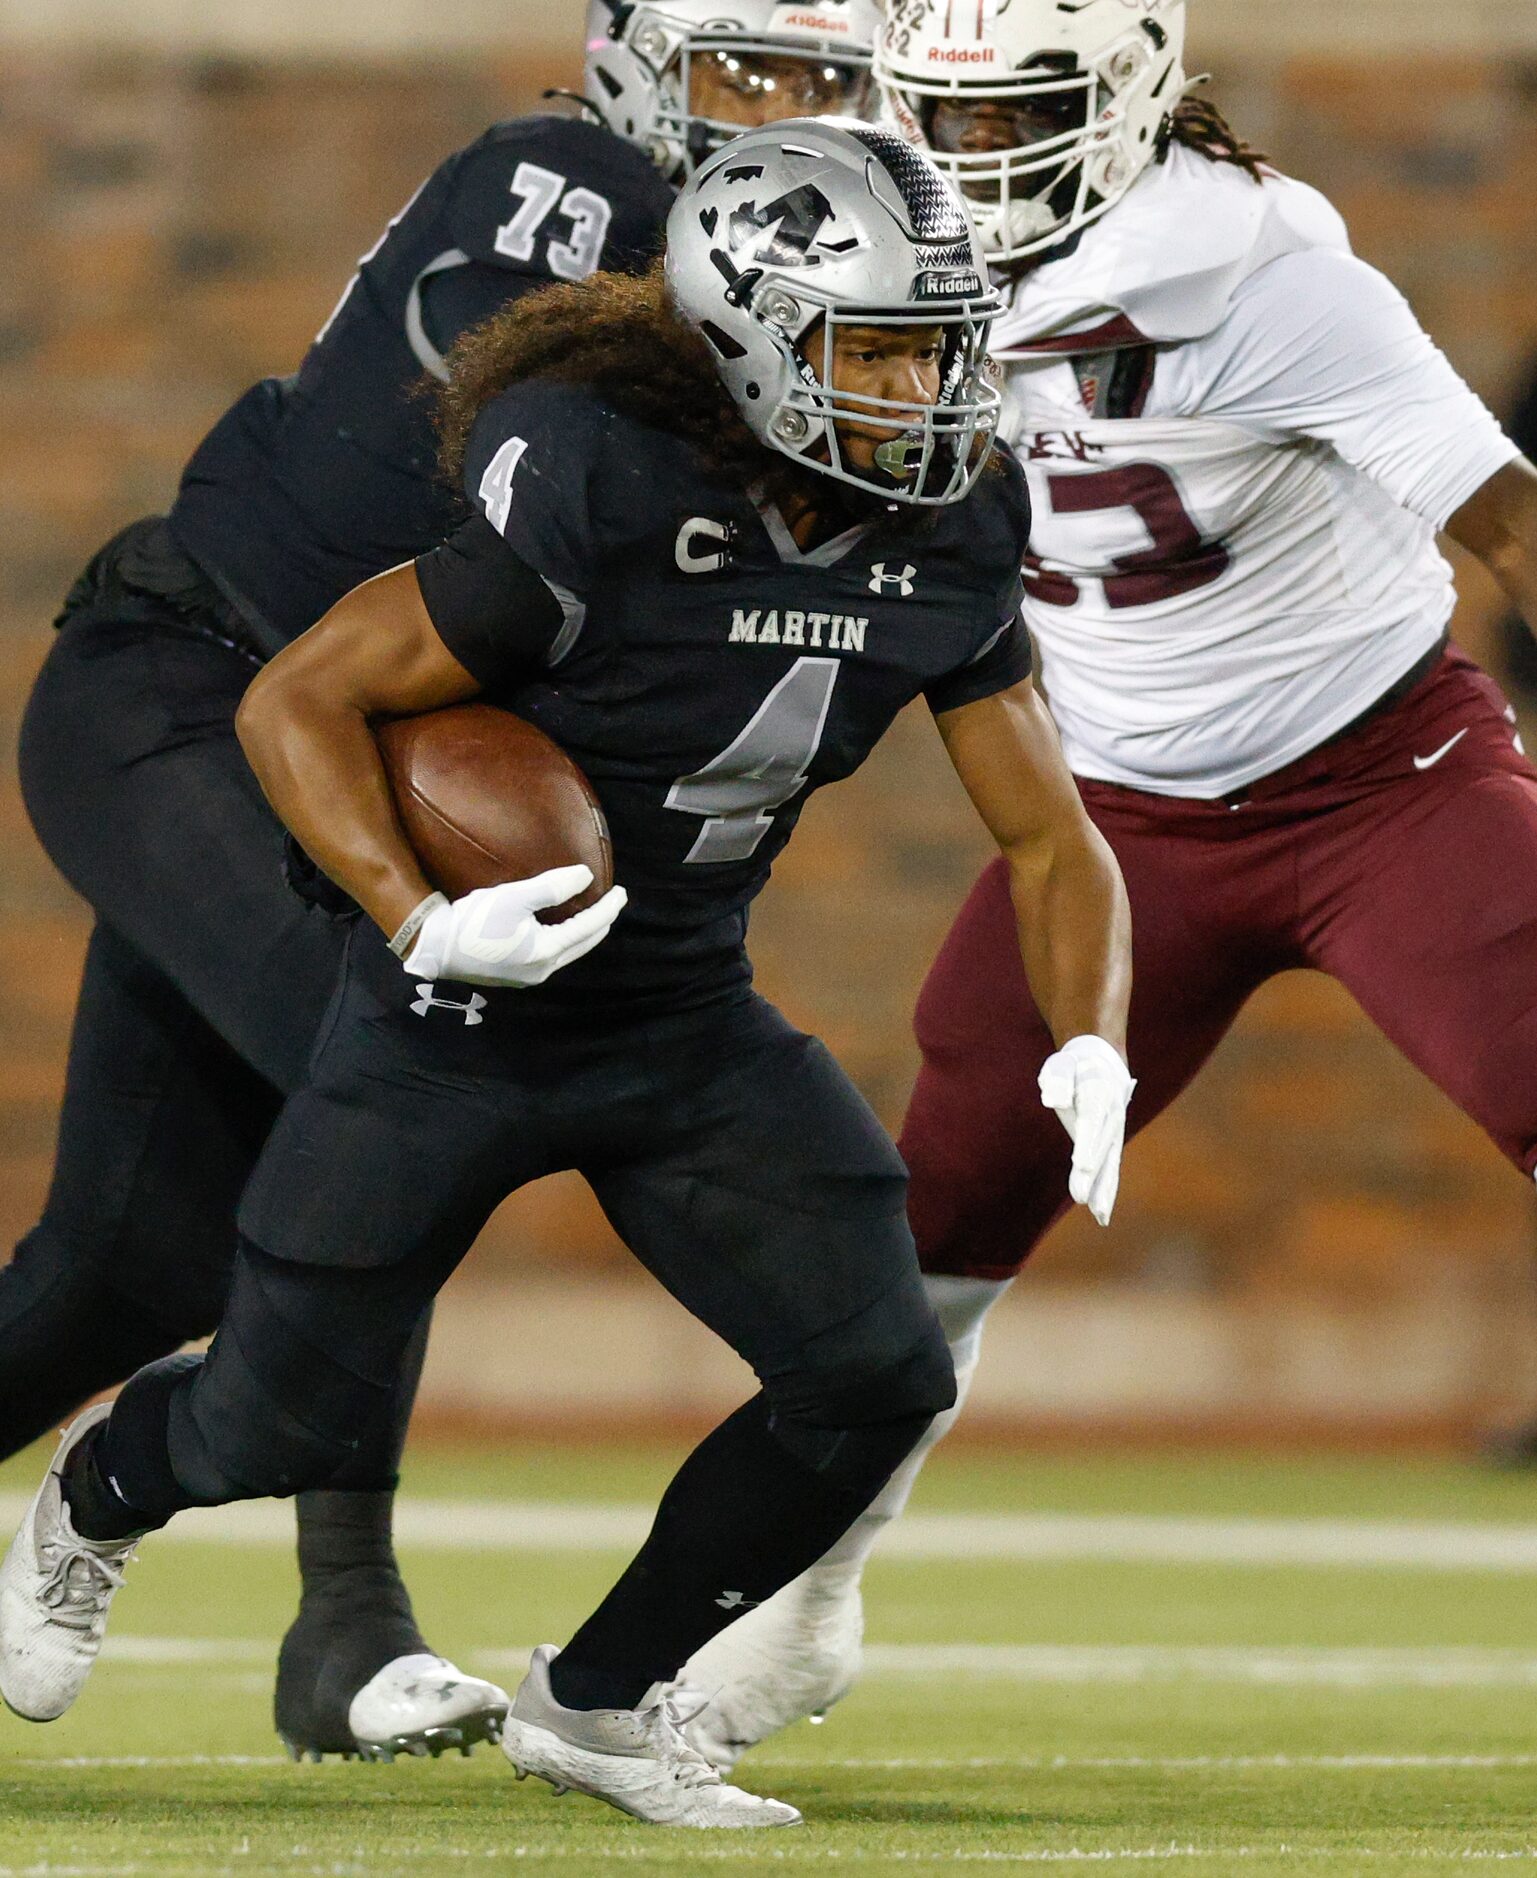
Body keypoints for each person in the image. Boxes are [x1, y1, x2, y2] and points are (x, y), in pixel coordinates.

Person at [0, 118, 1133, 1828]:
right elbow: (297, 697)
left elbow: (1050, 837)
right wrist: (407, 911)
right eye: (883, 345)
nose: (926, 389)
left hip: (678, 1009)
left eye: (943, 346)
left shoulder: (952, 523)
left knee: (877, 1373)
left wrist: (1092, 1043)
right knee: (270, 1419)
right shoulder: (599, 467)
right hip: (456, 1013)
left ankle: (595, 1703)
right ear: (751, 331)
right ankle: (92, 1494)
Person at [677, 0, 1537, 1770]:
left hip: (1384, 774)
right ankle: (799, 1593)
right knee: (923, 1233)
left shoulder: (1261, 274)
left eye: (1026, 118)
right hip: (1113, 817)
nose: (979, 162)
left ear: (1130, 96)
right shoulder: (878, 244)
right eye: (948, 120)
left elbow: (1503, 515)